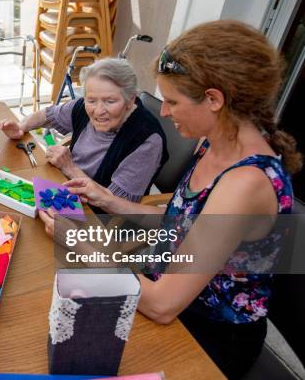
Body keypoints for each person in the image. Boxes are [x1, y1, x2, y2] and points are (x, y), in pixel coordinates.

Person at [59, 20, 302, 378]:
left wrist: (77, 245)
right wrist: (108, 200)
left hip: (205, 335)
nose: (164, 112)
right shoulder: (214, 142)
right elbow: (185, 225)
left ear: (214, 99)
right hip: (166, 289)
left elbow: (161, 306)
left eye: (172, 100)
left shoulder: (245, 182)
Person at [0, 58, 168, 206]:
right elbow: (47, 115)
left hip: (98, 216)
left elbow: (114, 204)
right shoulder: (83, 106)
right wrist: (21, 126)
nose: (98, 111)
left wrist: (69, 167)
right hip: (66, 186)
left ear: (130, 100)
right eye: (91, 100)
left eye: (110, 101)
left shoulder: (146, 140)